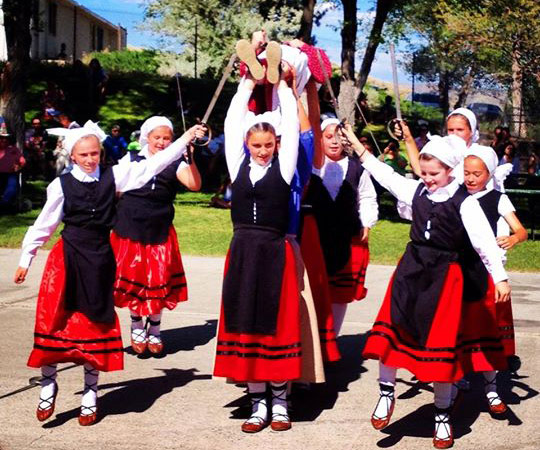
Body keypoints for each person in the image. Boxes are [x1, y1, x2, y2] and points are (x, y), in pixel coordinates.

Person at [13, 120, 205, 426]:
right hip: (67, 259)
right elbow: (44, 224)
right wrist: (26, 258)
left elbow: (155, 164)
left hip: (100, 259)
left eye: (94, 154)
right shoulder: (60, 185)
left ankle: (91, 392)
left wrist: (185, 139)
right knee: (55, 321)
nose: (90, 159)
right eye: (84, 155)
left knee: (96, 325)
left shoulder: (114, 176)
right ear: (72, 156)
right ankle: (48, 382)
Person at [340, 125, 511, 449]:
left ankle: (442, 417)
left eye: (434, 173)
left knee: (441, 348)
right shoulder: (416, 190)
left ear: (450, 171)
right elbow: (385, 174)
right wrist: (360, 150)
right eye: (425, 172)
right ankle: (386, 394)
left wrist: (500, 277)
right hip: (411, 270)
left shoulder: (466, 202)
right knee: (391, 333)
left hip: (445, 276)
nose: (428, 178)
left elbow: (485, 243)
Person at [213, 67, 300, 433]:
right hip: (243, 252)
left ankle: (280, 402)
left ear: (276, 144)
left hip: (273, 252)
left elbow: (292, 123)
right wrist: (247, 80)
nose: (262, 151)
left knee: (274, 325)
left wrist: (280, 85)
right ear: (248, 146)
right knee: (244, 322)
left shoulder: (284, 167)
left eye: (268, 145)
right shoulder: (238, 166)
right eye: (256, 145)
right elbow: (234, 122)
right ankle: (257, 403)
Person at [111, 116, 202, 355]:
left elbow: (194, 184)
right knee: (134, 279)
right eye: (157, 138)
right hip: (130, 226)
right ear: (147, 137)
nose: (161, 143)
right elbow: (116, 188)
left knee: (157, 280)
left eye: (167, 138)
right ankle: (137, 324)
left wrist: (189, 158)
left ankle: (156, 329)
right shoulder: (131, 158)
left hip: (159, 228)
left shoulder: (176, 161)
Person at [461, 147, 527, 414]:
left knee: (487, 330)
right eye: (466, 173)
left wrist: (513, 238)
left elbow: (521, 230)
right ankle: (457, 377)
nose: (471, 178)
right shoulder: (457, 196)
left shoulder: (498, 199)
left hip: (487, 271)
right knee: (460, 328)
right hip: (460, 270)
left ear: (489, 174)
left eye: (477, 174)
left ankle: (491, 388)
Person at [302, 118, 378, 337]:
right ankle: (312, 337)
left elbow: (366, 196)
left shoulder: (356, 167)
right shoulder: (312, 165)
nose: (334, 142)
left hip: (346, 235)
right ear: (320, 139)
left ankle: (332, 337)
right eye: (328, 137)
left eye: (339, 137)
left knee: (339, 292)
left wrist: (366, 223)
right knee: (313, 287)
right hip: (316, 236)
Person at [0, 131, 25, 212]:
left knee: (12, 188)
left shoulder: (14, 149)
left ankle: (3, 204)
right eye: (1, 138)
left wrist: (19, 166)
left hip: (11, 174)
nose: (3, 140)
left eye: (5, 138)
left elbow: (22, 161)